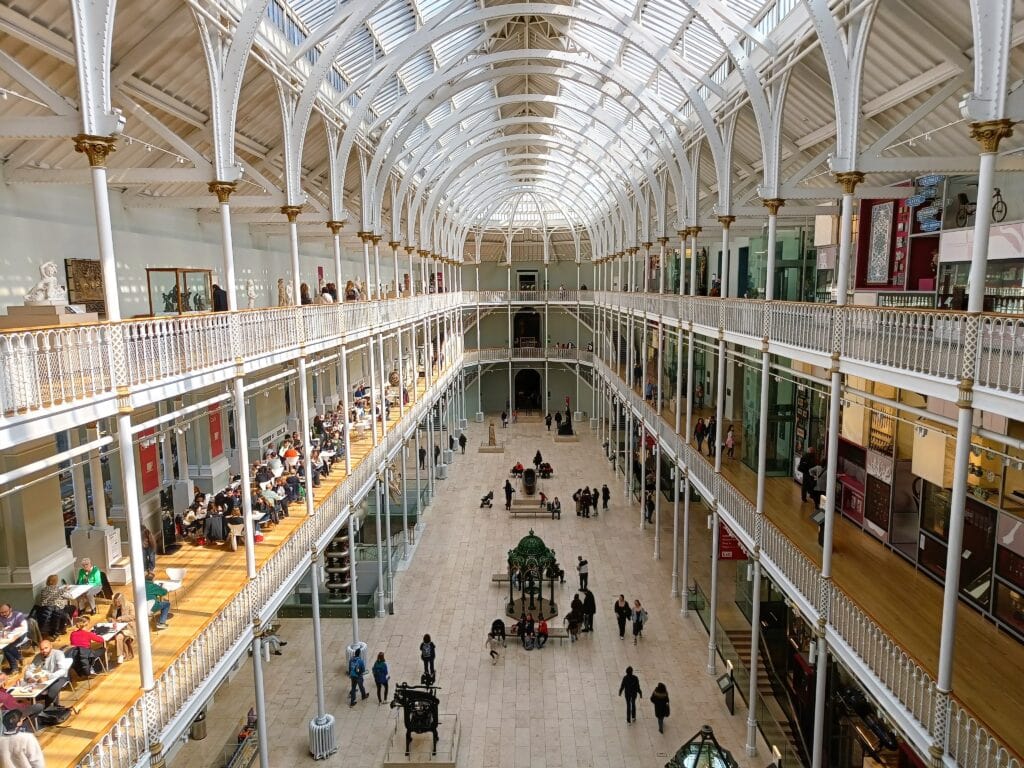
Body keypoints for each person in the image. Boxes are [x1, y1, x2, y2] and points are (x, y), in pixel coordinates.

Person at [23, 641, 68, 707]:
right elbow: (29, 670)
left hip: (60, 677)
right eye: (42, 649)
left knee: (51, 695)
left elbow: (62, 670)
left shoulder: (58, 654)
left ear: (51, 646)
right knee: (29, 694)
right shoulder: (39, 656)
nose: (44, 651)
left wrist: (48, 677)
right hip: (45, 679)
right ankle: (45, 707)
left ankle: (50, 708)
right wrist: (29, 678)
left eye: (46, 648)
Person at [105, 592, 137, 663]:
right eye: (115, 602)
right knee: (105, 636)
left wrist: (122, 618)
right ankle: (106, 654)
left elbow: (133, 616)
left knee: (119, 637)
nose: (116, 604)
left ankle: (120, 655)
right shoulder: (113, 606)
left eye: (118, 602)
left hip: (127, 628)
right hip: (115, 627)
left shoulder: (130, 605)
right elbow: (108, 616)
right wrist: (111, 620)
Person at [0, 603, 27, 673]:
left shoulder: (18, 615)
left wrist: (14, 637)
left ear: (10, 609)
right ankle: (19, 659)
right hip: (9, 635)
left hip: (20, 634)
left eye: (5, 612)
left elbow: (23, 628)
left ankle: (14, 667)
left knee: (6, 648)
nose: (3, 614)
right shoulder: (1, 617)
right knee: (5, 647)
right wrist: (4, 632)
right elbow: (3, 628)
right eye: (1, 612)